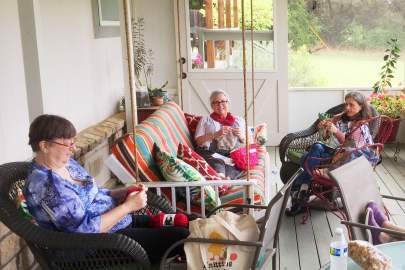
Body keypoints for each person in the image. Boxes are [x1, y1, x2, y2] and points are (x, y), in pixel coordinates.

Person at [23, 114, 189, 263]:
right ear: (44, 146)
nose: (72, 149)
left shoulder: (66, 163)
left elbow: (94, 193)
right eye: (67, 145)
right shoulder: (46, 187)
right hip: (98, 248)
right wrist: (128, 207)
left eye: (73, 143)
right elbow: (84, 233)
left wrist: (119, 193)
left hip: (118, 225)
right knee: (182, 238)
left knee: (187, 222)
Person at [287, 91, 379, 216]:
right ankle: (303, 189)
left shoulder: (361, 123)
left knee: (307, 158)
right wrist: (325, 125)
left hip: (354, 158)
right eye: (346, 104)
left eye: (351, 105)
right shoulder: (344, 116)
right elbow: (326, 133)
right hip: (338, 154)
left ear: (361, 106)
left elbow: (350, 146)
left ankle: (301, 191)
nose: (347, 108)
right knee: (317, 146)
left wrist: (335, 131)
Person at [194, 90, 245, 179]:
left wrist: (241, 135)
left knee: (236, 163)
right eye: (216, 103)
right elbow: (198, 141)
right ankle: (220, 176)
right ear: (212, 106)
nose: (220, 105)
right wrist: (215, 134)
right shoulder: (206, 120)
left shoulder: (239, 120)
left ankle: (227, 179)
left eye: (223, 101)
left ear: (228, 103)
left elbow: (247, 141)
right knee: (217, 160)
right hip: (210, 152)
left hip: (231, 154)